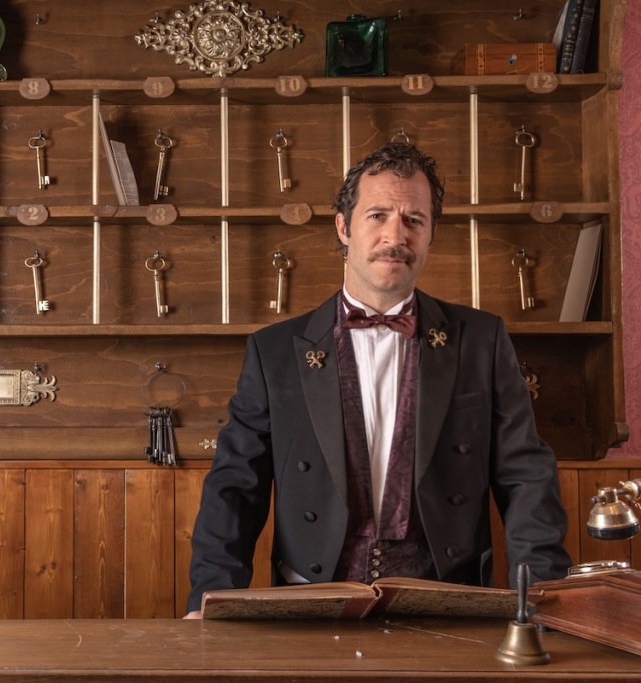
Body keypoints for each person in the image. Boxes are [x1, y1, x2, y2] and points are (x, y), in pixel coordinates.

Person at [184, 142, 571, 618]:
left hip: (449, 598)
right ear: (344, 227)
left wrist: (547, 598)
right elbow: (234, 488)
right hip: (309, 600)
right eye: (378, 215)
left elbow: (527, 477)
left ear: (431, 234)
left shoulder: (482, 339)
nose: (396, 235)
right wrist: (210, 600)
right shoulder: (274, 351)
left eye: (414, 220)